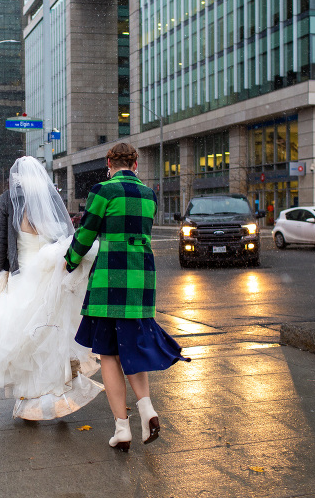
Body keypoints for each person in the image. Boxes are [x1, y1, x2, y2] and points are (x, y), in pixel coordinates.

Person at [64, 142, 190, 452]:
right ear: (135, 165)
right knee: (131, 347)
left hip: (111, 278)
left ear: (109, 161)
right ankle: (147, 411)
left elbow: (86, 233)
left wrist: (69, 261)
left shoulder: (103, 190)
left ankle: (122, 428)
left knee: (108, 354)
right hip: (141, 279)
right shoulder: (149, 195)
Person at [0, 156, 103, 420]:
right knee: (51, 335)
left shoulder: (6, 200)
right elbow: (65, 237)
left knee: (24, 342)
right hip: (48, 276)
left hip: (22, 277)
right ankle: (61, 387)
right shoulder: (49, 199)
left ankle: (29, 400)